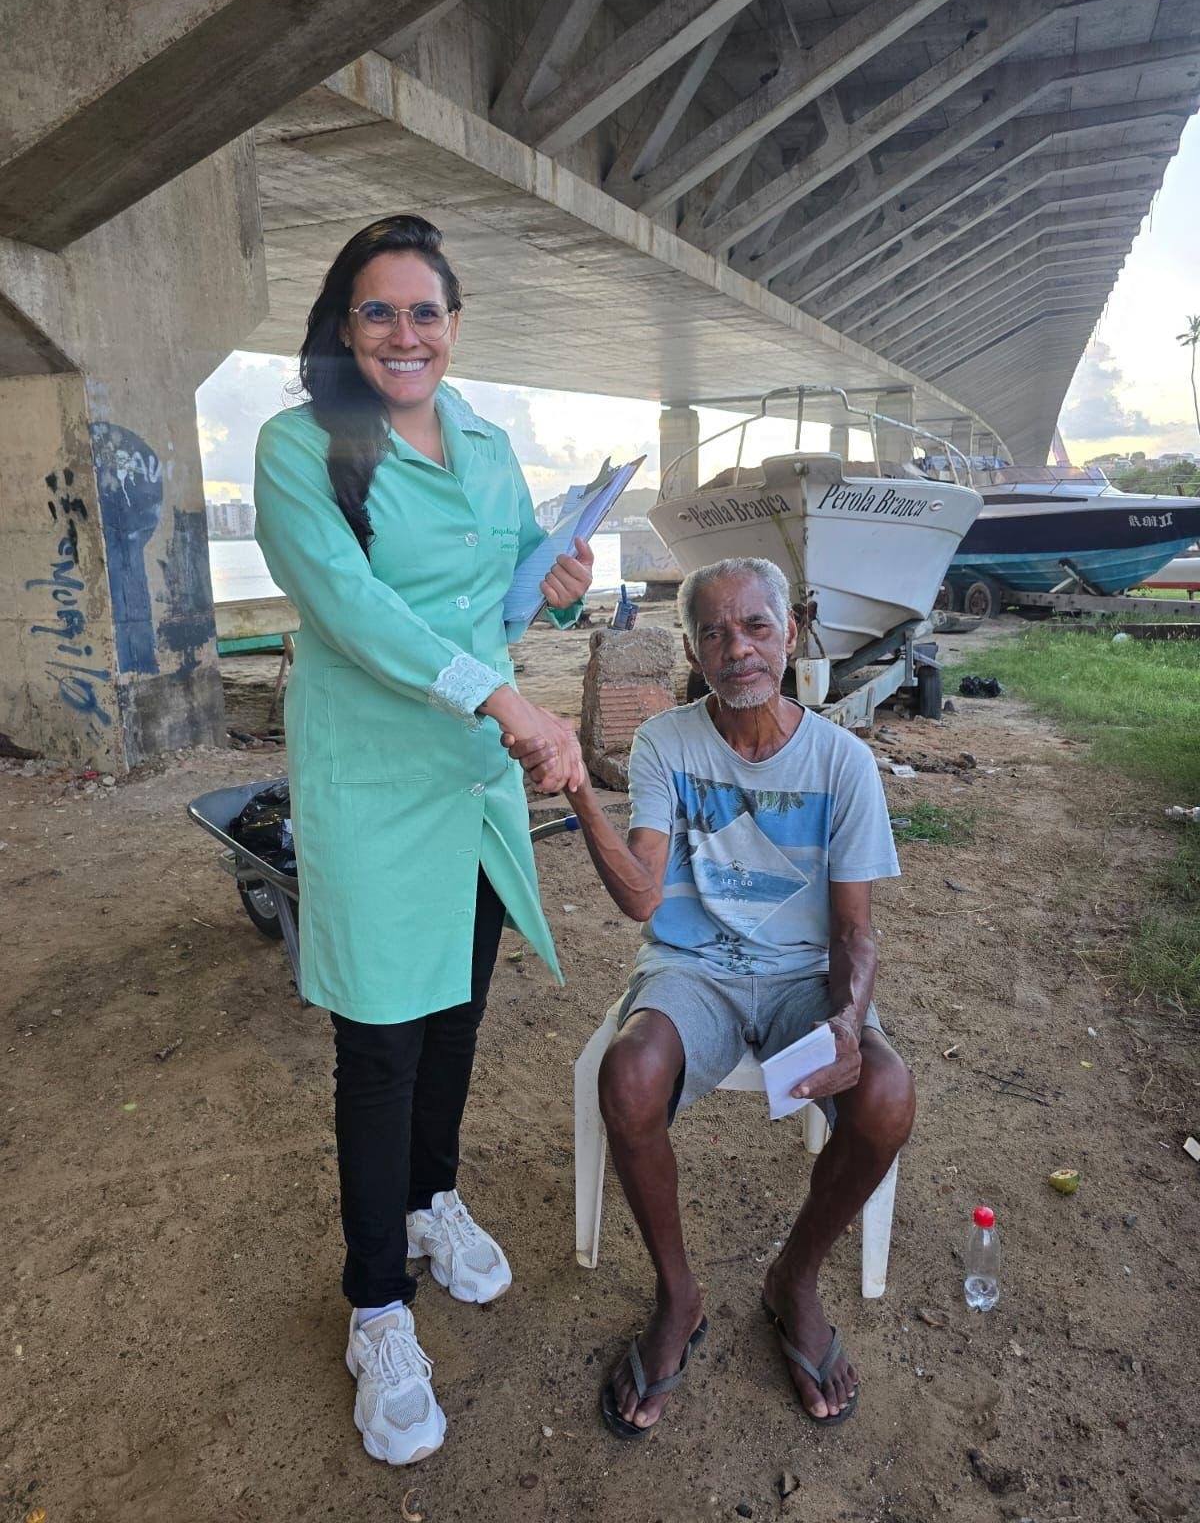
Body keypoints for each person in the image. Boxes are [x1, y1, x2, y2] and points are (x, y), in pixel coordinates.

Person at [253, 214, 591, 1466]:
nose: (406, 334)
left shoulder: (490, 443)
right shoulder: (299, 448)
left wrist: (552, 577)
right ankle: (377, 1302)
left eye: (427, 312)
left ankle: (430, 1198)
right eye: (380, 311)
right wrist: (506, 697)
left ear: (454, 324)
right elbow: (351, 609)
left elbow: (507, 579)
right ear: (345, 325)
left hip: (476, 779)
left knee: (454, 1012)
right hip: (377, 777)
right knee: (381, 1043)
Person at [509, 556, 915, 1435]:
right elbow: (643, 899)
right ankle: (678, 1297)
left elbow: (853, 932)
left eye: (756, 627)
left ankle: (793, 1279)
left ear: (791, 633)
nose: (738, 650)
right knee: (628, 1078)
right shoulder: (667, 742)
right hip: (697, 972)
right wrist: (581, 790)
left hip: (808, 978)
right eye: (715, 634)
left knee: (886, 1096)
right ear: (693, 649)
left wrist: (846, 1023)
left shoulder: (843, 763)